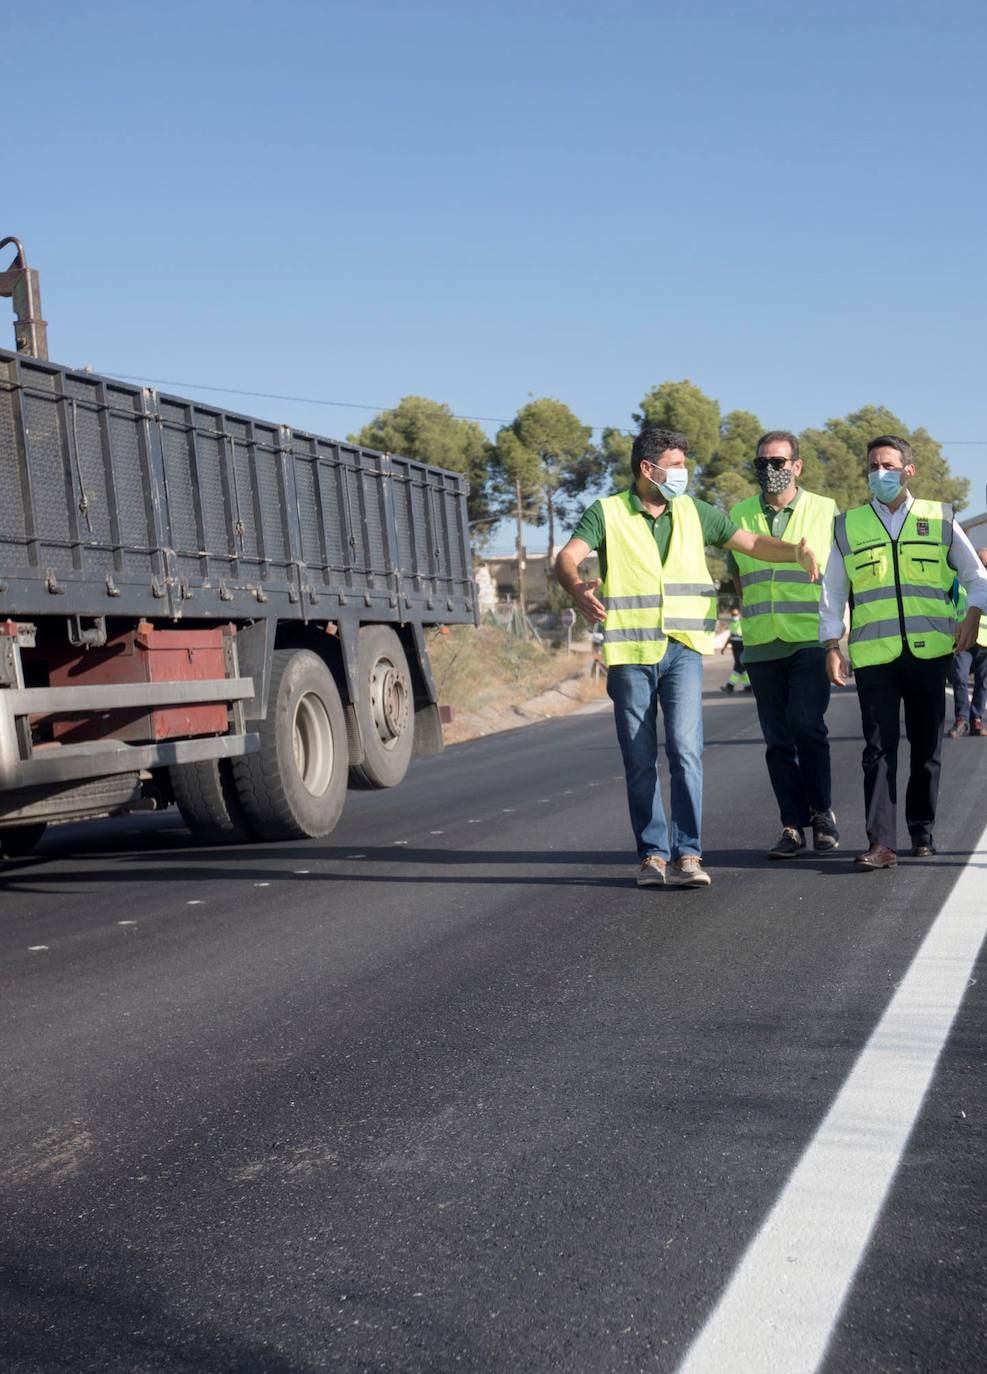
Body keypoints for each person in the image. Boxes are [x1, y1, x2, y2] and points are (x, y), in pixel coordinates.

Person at [555, 425, 820, 889]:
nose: (684, 473)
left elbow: (752, 543)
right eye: (676, 466)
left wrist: (794, 552)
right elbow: (567, 557)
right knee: (639, 759)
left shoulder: (695, 511)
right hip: (631, 652)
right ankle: (653, 855)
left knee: (686, 752)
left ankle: (688, 853)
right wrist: (577, 586)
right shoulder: (607, 512)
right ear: (647, 468)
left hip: (683, 650)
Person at [819, 436, 987, 869]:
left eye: (888, 465)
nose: (880, 473)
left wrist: (972, 615)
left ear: (908, 470)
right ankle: (881, 843)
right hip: (874, 656)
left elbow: (977, 577)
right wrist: (831, 644)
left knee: (927, 747)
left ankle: (921, 827)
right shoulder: (847, 526)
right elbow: (833, 591)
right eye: (873, 466)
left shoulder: (940, 518)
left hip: (930, 651)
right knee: (877, 749)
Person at [727, 431, 839, 859]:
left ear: (798, 466)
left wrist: (836, 639)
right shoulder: (738, 514)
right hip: (761, 643)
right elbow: (736, 576)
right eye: (762, 462)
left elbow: (839, 576)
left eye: (778, 462)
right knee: (777, 739)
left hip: (810, 638)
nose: (769, 470)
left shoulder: (826, 511)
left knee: (808, 725)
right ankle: (792, 824)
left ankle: (823, 814)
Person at [947, 550, 987, 736]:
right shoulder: (958, 582)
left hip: (985, 642)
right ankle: (961, 719)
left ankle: (976, 719)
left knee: (983, 683)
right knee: (960, 679)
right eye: (980, 562)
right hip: (962, 639)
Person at [719, 608, 751, 692]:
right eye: (733, 615)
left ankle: (730, 686)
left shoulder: (742, 623)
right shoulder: (732, 624)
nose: (734, 616)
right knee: (742, 668)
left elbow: (746, 635)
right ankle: (748, 687)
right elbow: (730, 637)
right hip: (735, 649)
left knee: (737, 667)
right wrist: (724, 647)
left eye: (735, 614)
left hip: (741, 648)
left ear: (739, 614)